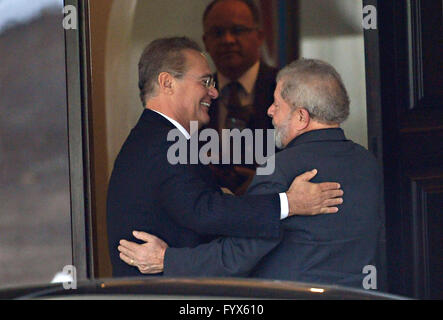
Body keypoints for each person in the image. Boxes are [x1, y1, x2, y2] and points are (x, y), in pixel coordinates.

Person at [118, 59, 383, 288]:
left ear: (302, 117)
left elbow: (237, 256)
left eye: (277, 104)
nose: (268, 111)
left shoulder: (280, 169)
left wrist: (167, 260)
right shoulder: (367, 163)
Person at [202, 0, 278, 194]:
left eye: (237, 30)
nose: (227, 40)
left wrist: (266, 182)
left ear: (259, 36)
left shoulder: (286, 87)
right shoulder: (195, 94)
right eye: (217, 33)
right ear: (205, 42)